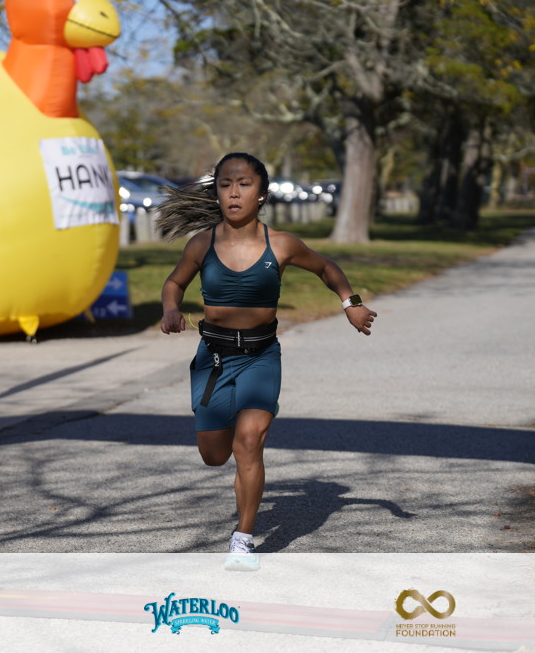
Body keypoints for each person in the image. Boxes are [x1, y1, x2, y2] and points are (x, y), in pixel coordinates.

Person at [158, 152, 376, 569]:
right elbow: (174, 282)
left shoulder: (282, 244)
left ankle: (243, 539)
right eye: (225, 184)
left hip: (261, 356)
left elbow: (326, 268)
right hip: (214, 358)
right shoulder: (202, 243)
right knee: (214, 454)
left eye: (244, 184)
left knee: (249, 442)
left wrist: (351, 303)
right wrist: (171, 309)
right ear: (216, 193)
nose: (234, 192)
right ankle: (239, 489)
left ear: (261, 194)